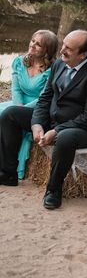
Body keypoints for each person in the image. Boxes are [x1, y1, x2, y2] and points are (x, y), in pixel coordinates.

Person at [0, 30, 87, 210]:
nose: (62, 50)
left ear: (83, 54)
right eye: (64, 44)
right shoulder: (59, 64)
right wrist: (36, 123)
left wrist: (56, 131)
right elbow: (45, 98)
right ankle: (7, 173)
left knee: (65, 137)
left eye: (68, 48)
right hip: (53, 119)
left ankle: (54, 189)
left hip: (84, 129)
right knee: (10, 114)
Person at [0, 30, 58, 179]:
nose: (32, 45)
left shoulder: (52, 70)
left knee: (9, 115)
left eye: (38, 44)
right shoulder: (20, 61)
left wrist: (20, 110)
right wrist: (18, 106)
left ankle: (8, 171)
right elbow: (16, 88)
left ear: (47, 50)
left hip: (38, 108)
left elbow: (44, 98)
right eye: (32, 41)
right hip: (17, 103)